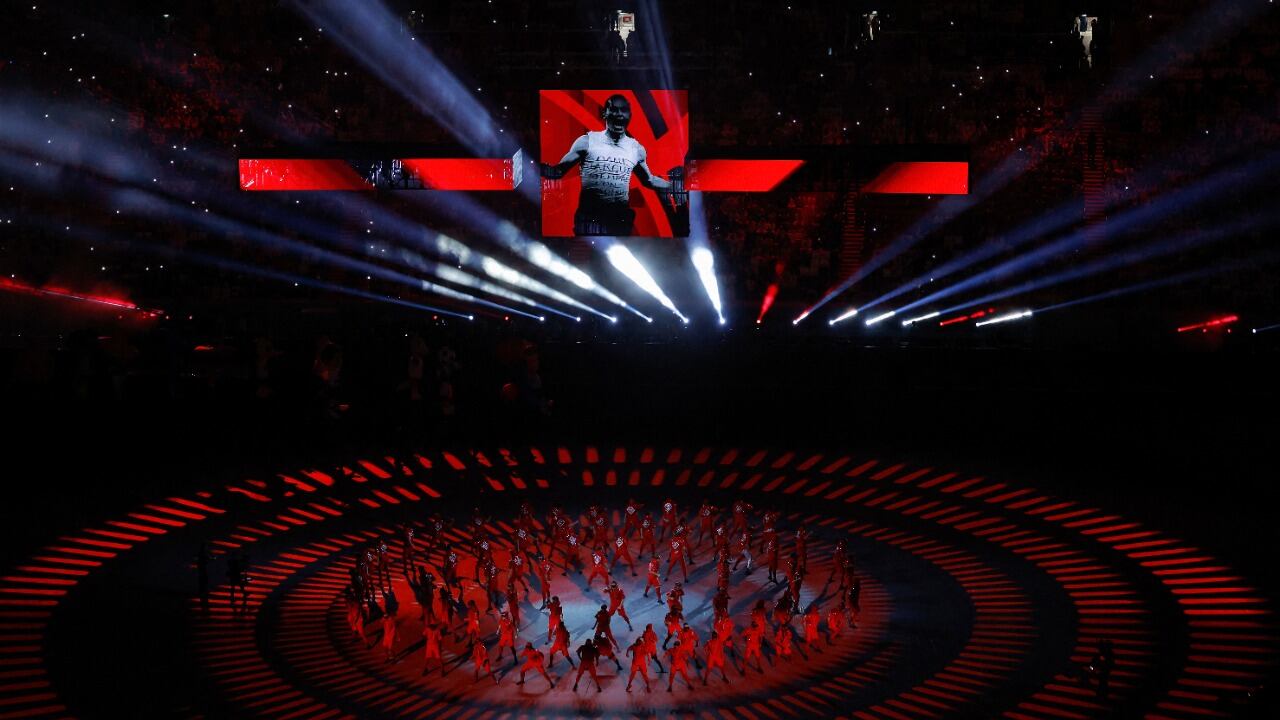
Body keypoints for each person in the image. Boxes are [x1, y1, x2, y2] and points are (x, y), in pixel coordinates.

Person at [539, 94, 680, 236]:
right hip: (590, 221)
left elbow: (649, 180)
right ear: (604, 113)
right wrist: (535, 166)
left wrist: (674, 186)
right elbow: (558, 171)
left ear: (629, 115)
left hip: (619, 221)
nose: (619, 114)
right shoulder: (587, 141)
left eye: (623, 110)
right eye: (614, 109)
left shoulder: (636, 149)